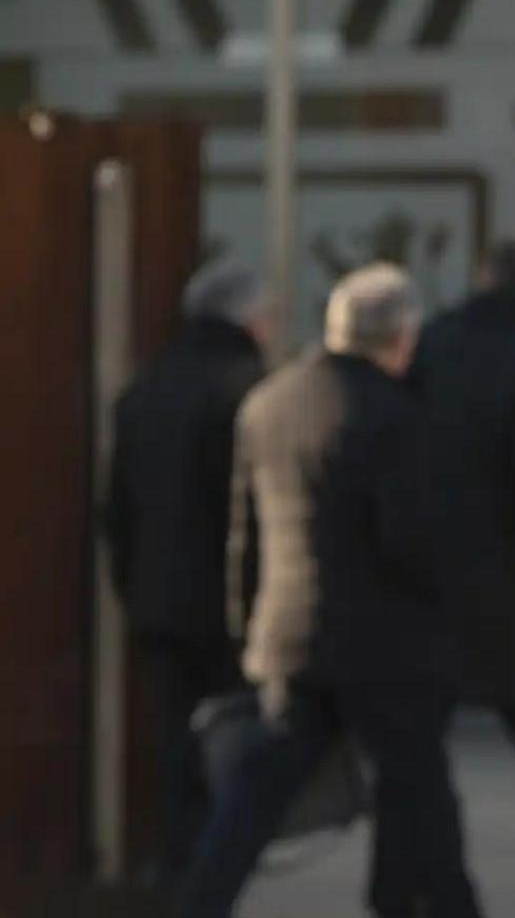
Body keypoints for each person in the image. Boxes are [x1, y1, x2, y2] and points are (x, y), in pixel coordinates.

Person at [176, 264, 482, 918]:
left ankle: (198, 904)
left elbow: (243, 539)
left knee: (255, 797)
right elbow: (410, 541)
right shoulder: (393, 414)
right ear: (401, 337)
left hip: (289, 640)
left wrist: (247, 636)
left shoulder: (268, 403)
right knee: (421, 797)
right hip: (385, 651)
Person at [106, 260, 269, 890]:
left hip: (157, 599)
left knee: (175, 744)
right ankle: (208, 876)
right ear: (248, 318)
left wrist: (131, 585)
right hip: (228, 605)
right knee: (240, 750)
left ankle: (179, 865)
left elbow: (116, 508)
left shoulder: (147, 388)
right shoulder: (248, 389)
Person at [411, 227, 515, 811]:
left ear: (483, 276)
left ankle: (423, 862)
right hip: (504, 573)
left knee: (415, 748)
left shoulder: (431, 341)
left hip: (424, 570)